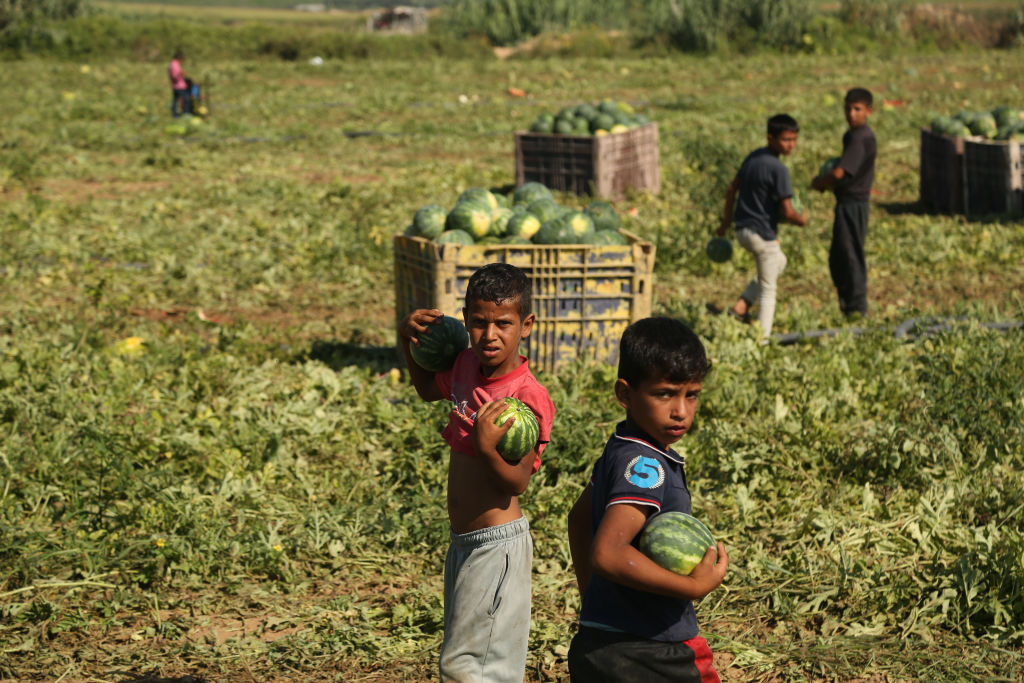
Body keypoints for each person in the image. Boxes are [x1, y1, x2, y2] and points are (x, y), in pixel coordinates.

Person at [399, 262, 556, 683]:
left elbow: (518, 481)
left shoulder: (527, 397)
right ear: (466, 321)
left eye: (503, 324)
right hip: (464, 543)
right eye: (479, 323)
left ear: (526, 325)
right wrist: (408, 340)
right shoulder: (467, 365)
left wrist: (488, 450)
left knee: (472, 668)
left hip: (497, 549)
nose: (490, 335)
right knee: (468, 658)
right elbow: (427, 388)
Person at [566, 316, 728, 683]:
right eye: (665, 393)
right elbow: (608, 553)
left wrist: (594, 599)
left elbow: (578, 519)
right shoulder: (646, 466)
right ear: (625, 394)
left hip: (600, 644)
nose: (681, 411)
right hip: (654, 652)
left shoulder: (622, 447)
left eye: (692, 394)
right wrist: (694, 587)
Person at [715, 113, 808, 342]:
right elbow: (787, 210)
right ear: (770, 138)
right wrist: (801, 219)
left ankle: (741, 305)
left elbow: (731, 189)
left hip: (742, 231)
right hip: (762, 234)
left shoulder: (754, 157)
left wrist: (726, 222)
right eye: (786, 140)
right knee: (769, 289)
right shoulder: (778, 169)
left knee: (780, 262)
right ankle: (762, 341)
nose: (791, 145)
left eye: (794, 139)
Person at [812, 87, 876, 319]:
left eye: (857, 109)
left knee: (850, 257)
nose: (851, 113)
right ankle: (848, 306)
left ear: (869, 111)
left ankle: (857, 310)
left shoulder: (861, 138)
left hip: (854, 204)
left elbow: (839, 173)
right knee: (839, 257)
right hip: (847, 202)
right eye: (847, 108)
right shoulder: (852, 136)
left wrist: (820, 183)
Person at [168, 50, 190, 117]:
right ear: (179, 58)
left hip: (176, 86)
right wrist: (181, 73)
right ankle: (186, 114)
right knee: (186, 99)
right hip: (179, 86)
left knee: (175, 100)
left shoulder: (173, 64)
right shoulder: (175, 64)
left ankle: (174, 114)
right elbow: (175, 76)